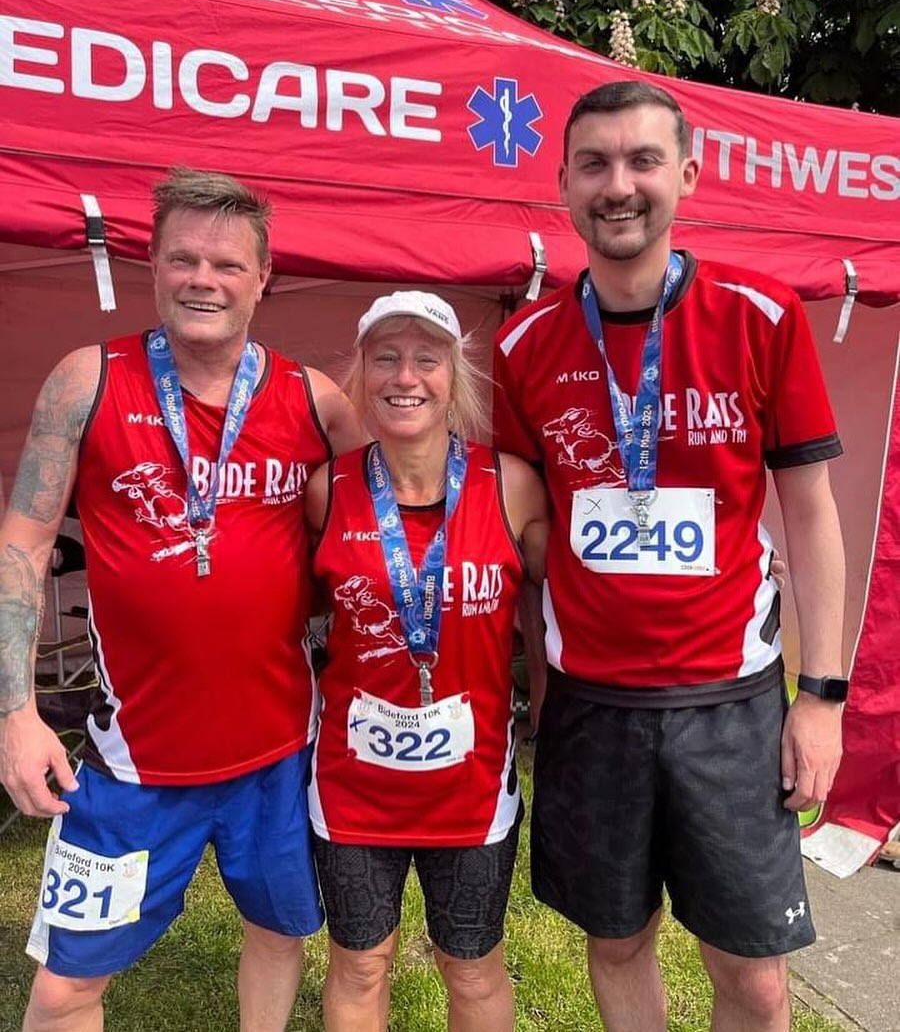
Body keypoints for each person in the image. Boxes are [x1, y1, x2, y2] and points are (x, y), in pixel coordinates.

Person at [492, 81, 847, 1032]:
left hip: (730, 702)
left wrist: (822, 696)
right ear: (563, 182)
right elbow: (526, 530)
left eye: (643, 160)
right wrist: (535, 673)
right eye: (595, 164)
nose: (620, 185)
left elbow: (811, 514)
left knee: (756, 977)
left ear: (687, 175)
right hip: (594, 705)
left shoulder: (760, 315)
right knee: (616, 941)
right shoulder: (524, 343)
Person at [0, 168, 367, 1032]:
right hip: (133, 764)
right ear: (154, 267)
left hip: (279, 754)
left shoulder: (313, 399)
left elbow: (387, 520)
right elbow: (20, 540)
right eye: (184, 259)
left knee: (278, 936)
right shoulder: (86, 380)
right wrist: (14, 711)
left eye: (228, 264)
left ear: (264, 275)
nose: (205, 278)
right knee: (63, 989)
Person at [304, 291, 547, 1032]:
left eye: (426, 358)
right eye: (386, 356)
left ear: (454, 375)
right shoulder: (327, 490)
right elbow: (294, 617)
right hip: (354, 784)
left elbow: (557, 601)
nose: (404, 375)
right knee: (360, 963)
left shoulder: (509, 484)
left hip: (471, 788)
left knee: (472, 968)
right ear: (362, 372)